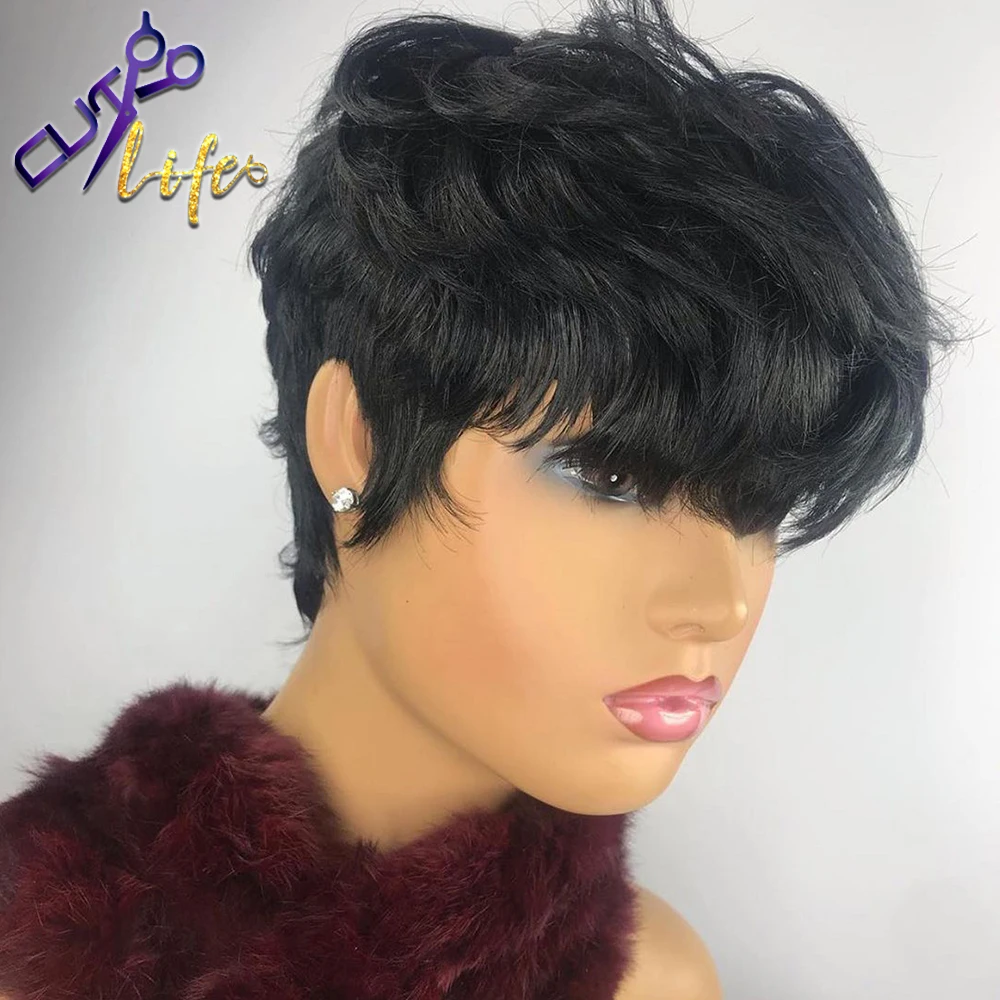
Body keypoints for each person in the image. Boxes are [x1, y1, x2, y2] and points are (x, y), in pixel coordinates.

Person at [0, 1, 973, 997]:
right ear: (356, 440)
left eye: (755, 505)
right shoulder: (32, 936)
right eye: (610, 477)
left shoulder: (655, 982)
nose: (718, 603)